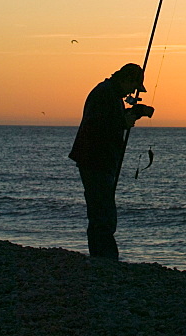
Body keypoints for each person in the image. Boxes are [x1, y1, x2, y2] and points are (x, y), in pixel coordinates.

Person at [69, 62, 154, 260]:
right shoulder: (104, 94)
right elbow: (98, 125)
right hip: (95, 160)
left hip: (99, 159)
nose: (131, 93)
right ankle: (105, 258)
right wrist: (123, 122)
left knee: (100, 209)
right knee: (103, 212)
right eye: (133, 87)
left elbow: (109, 118)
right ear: (126, 80)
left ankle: (100, 256)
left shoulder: (109, 94)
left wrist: (135, 112)